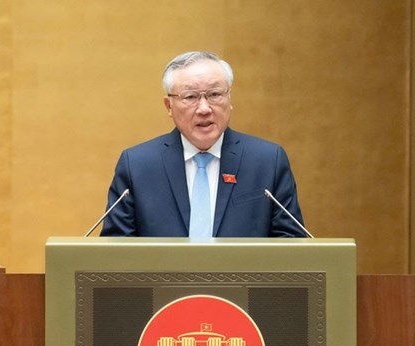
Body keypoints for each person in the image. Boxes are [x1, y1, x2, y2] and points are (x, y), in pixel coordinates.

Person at [100, 51, 307, 238]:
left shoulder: (267, 161)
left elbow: (291, 246)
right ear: (169, 106)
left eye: (215, 94)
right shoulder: (137, 165)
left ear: (229, 99)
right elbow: (116, 251)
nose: (204, 109)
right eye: (190, 97)